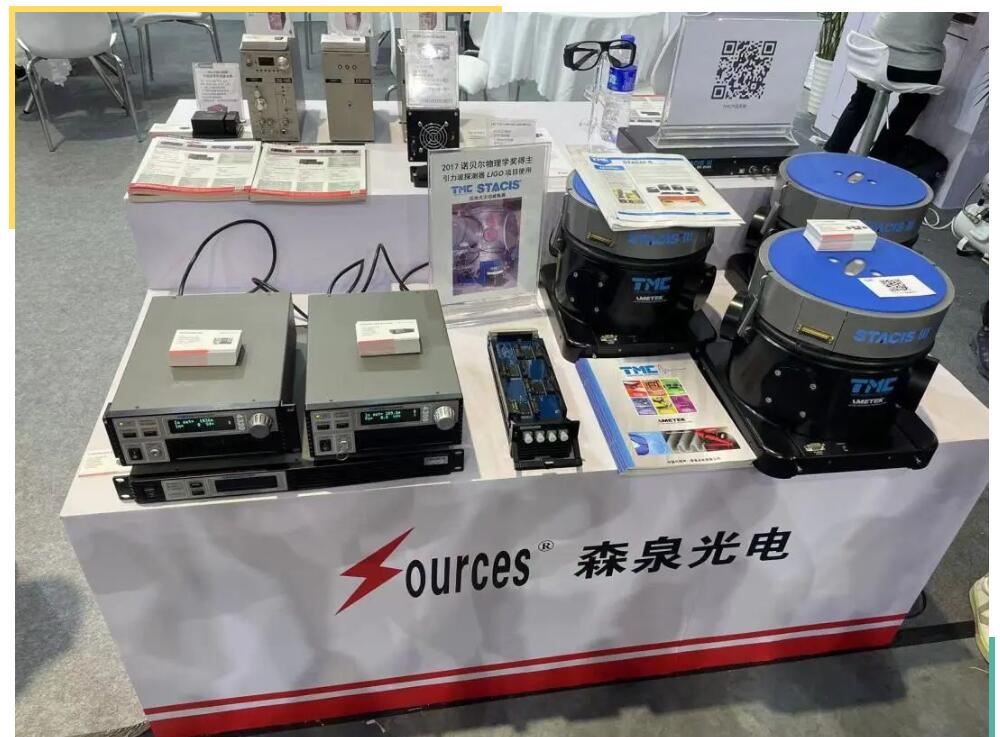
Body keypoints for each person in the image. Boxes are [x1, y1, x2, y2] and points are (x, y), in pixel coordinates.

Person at [824, 13, 952, 161]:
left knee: (862, 100)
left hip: (873, 52)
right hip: (917, 65)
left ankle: (831, 154)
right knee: (912, 105)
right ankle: (877, 159)